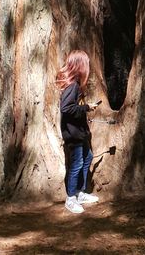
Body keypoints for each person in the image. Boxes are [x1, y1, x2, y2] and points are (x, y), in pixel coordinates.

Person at [56, 50, 100, 214]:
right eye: (86, 63)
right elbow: (66, 108)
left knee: (87, 157)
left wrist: (85, 108)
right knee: (76, 165)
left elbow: (73, 107)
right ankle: (71, 198)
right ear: (80, 66)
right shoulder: (72, 85)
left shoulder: (75, 85)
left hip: (79, 132)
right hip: (73, 134)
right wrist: (86, 107)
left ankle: (80, 193)